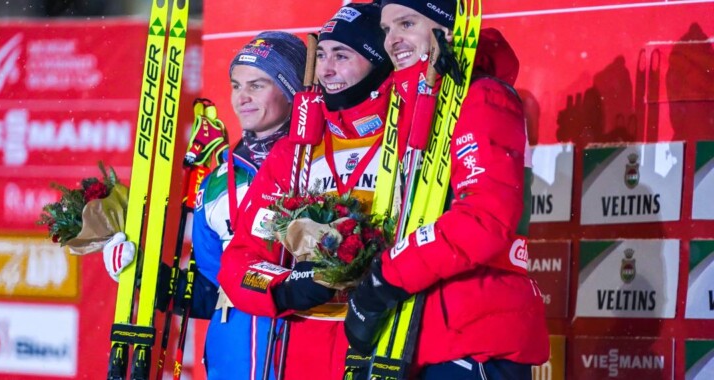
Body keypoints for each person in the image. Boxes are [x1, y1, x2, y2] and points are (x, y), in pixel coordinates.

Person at [341, 1, 549, 379]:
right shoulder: (404, 106)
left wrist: (386, 275)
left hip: (472, 332)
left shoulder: (482, 96)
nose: (393, 41)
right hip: (414, 333)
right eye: (387, 29)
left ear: (450, 29)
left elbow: (483, 218)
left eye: (407, 23)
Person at [103, 31, 307, 380]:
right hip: (232, 360)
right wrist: (143, 275)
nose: (242, 98)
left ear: (291, 91)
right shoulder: (216, 183)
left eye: (257, 85)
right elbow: (211, 289)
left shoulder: (316, 164)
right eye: (236, 85)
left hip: (299, 353)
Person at [217, 3, 393, 380]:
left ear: (378, 61)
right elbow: (242, 259)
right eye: (323, 55)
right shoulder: (297, 150)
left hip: (388, 337)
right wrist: (285, 289)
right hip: (304, 349)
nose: (326, 70)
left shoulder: (411, 137)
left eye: (342, 56)